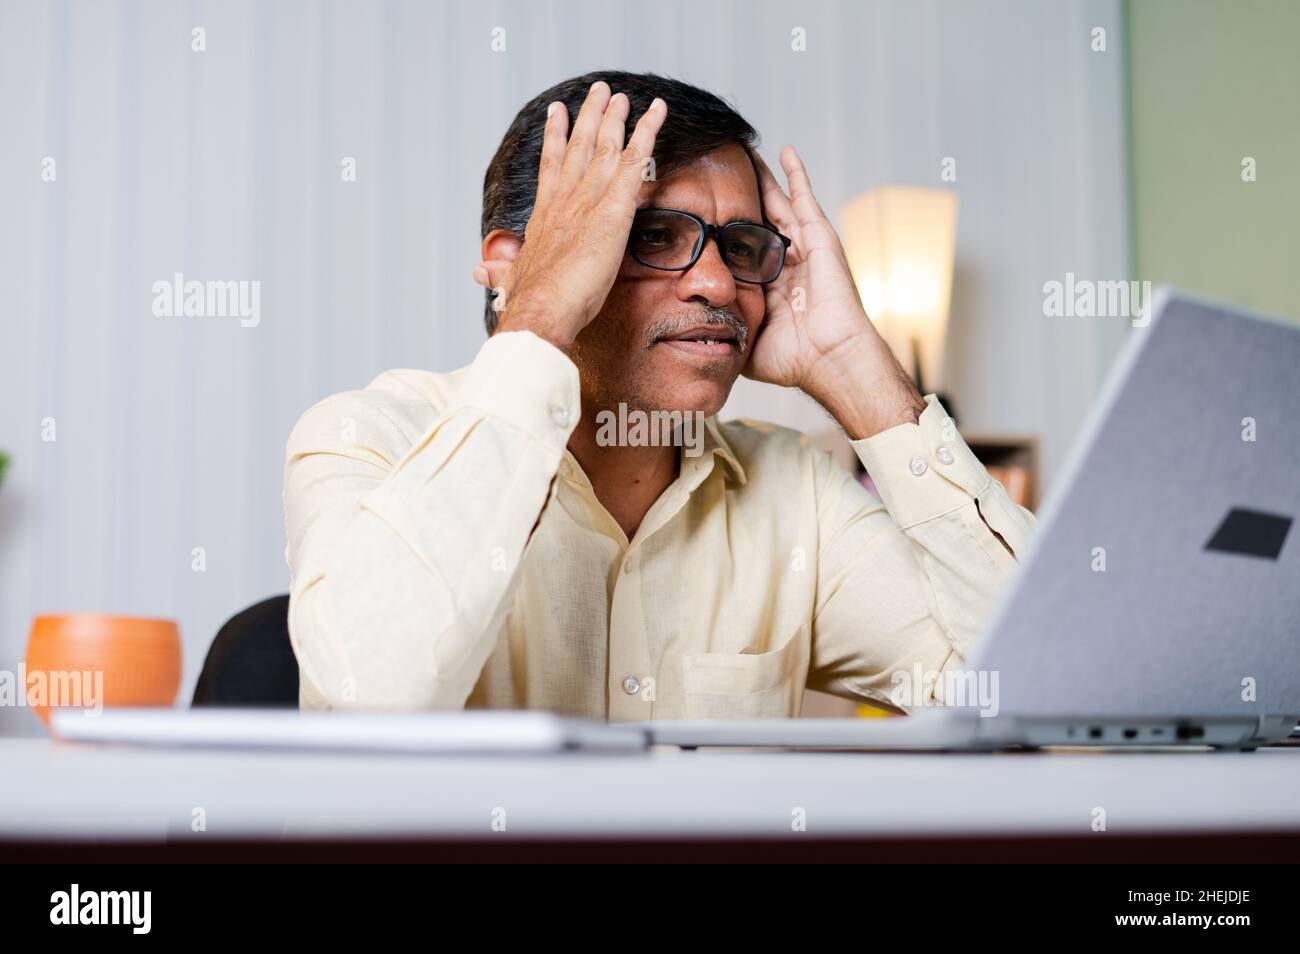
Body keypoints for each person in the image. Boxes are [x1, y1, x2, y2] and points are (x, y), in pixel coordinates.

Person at [282, 70, 1035, 720]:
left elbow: (1049, 697)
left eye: (741, 248)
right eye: (649, 235)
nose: (716, 284)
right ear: (511, 265)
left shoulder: (793, 491)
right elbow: (370, 696)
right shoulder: (364, 436)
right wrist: (537, 313)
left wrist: (856, 369)